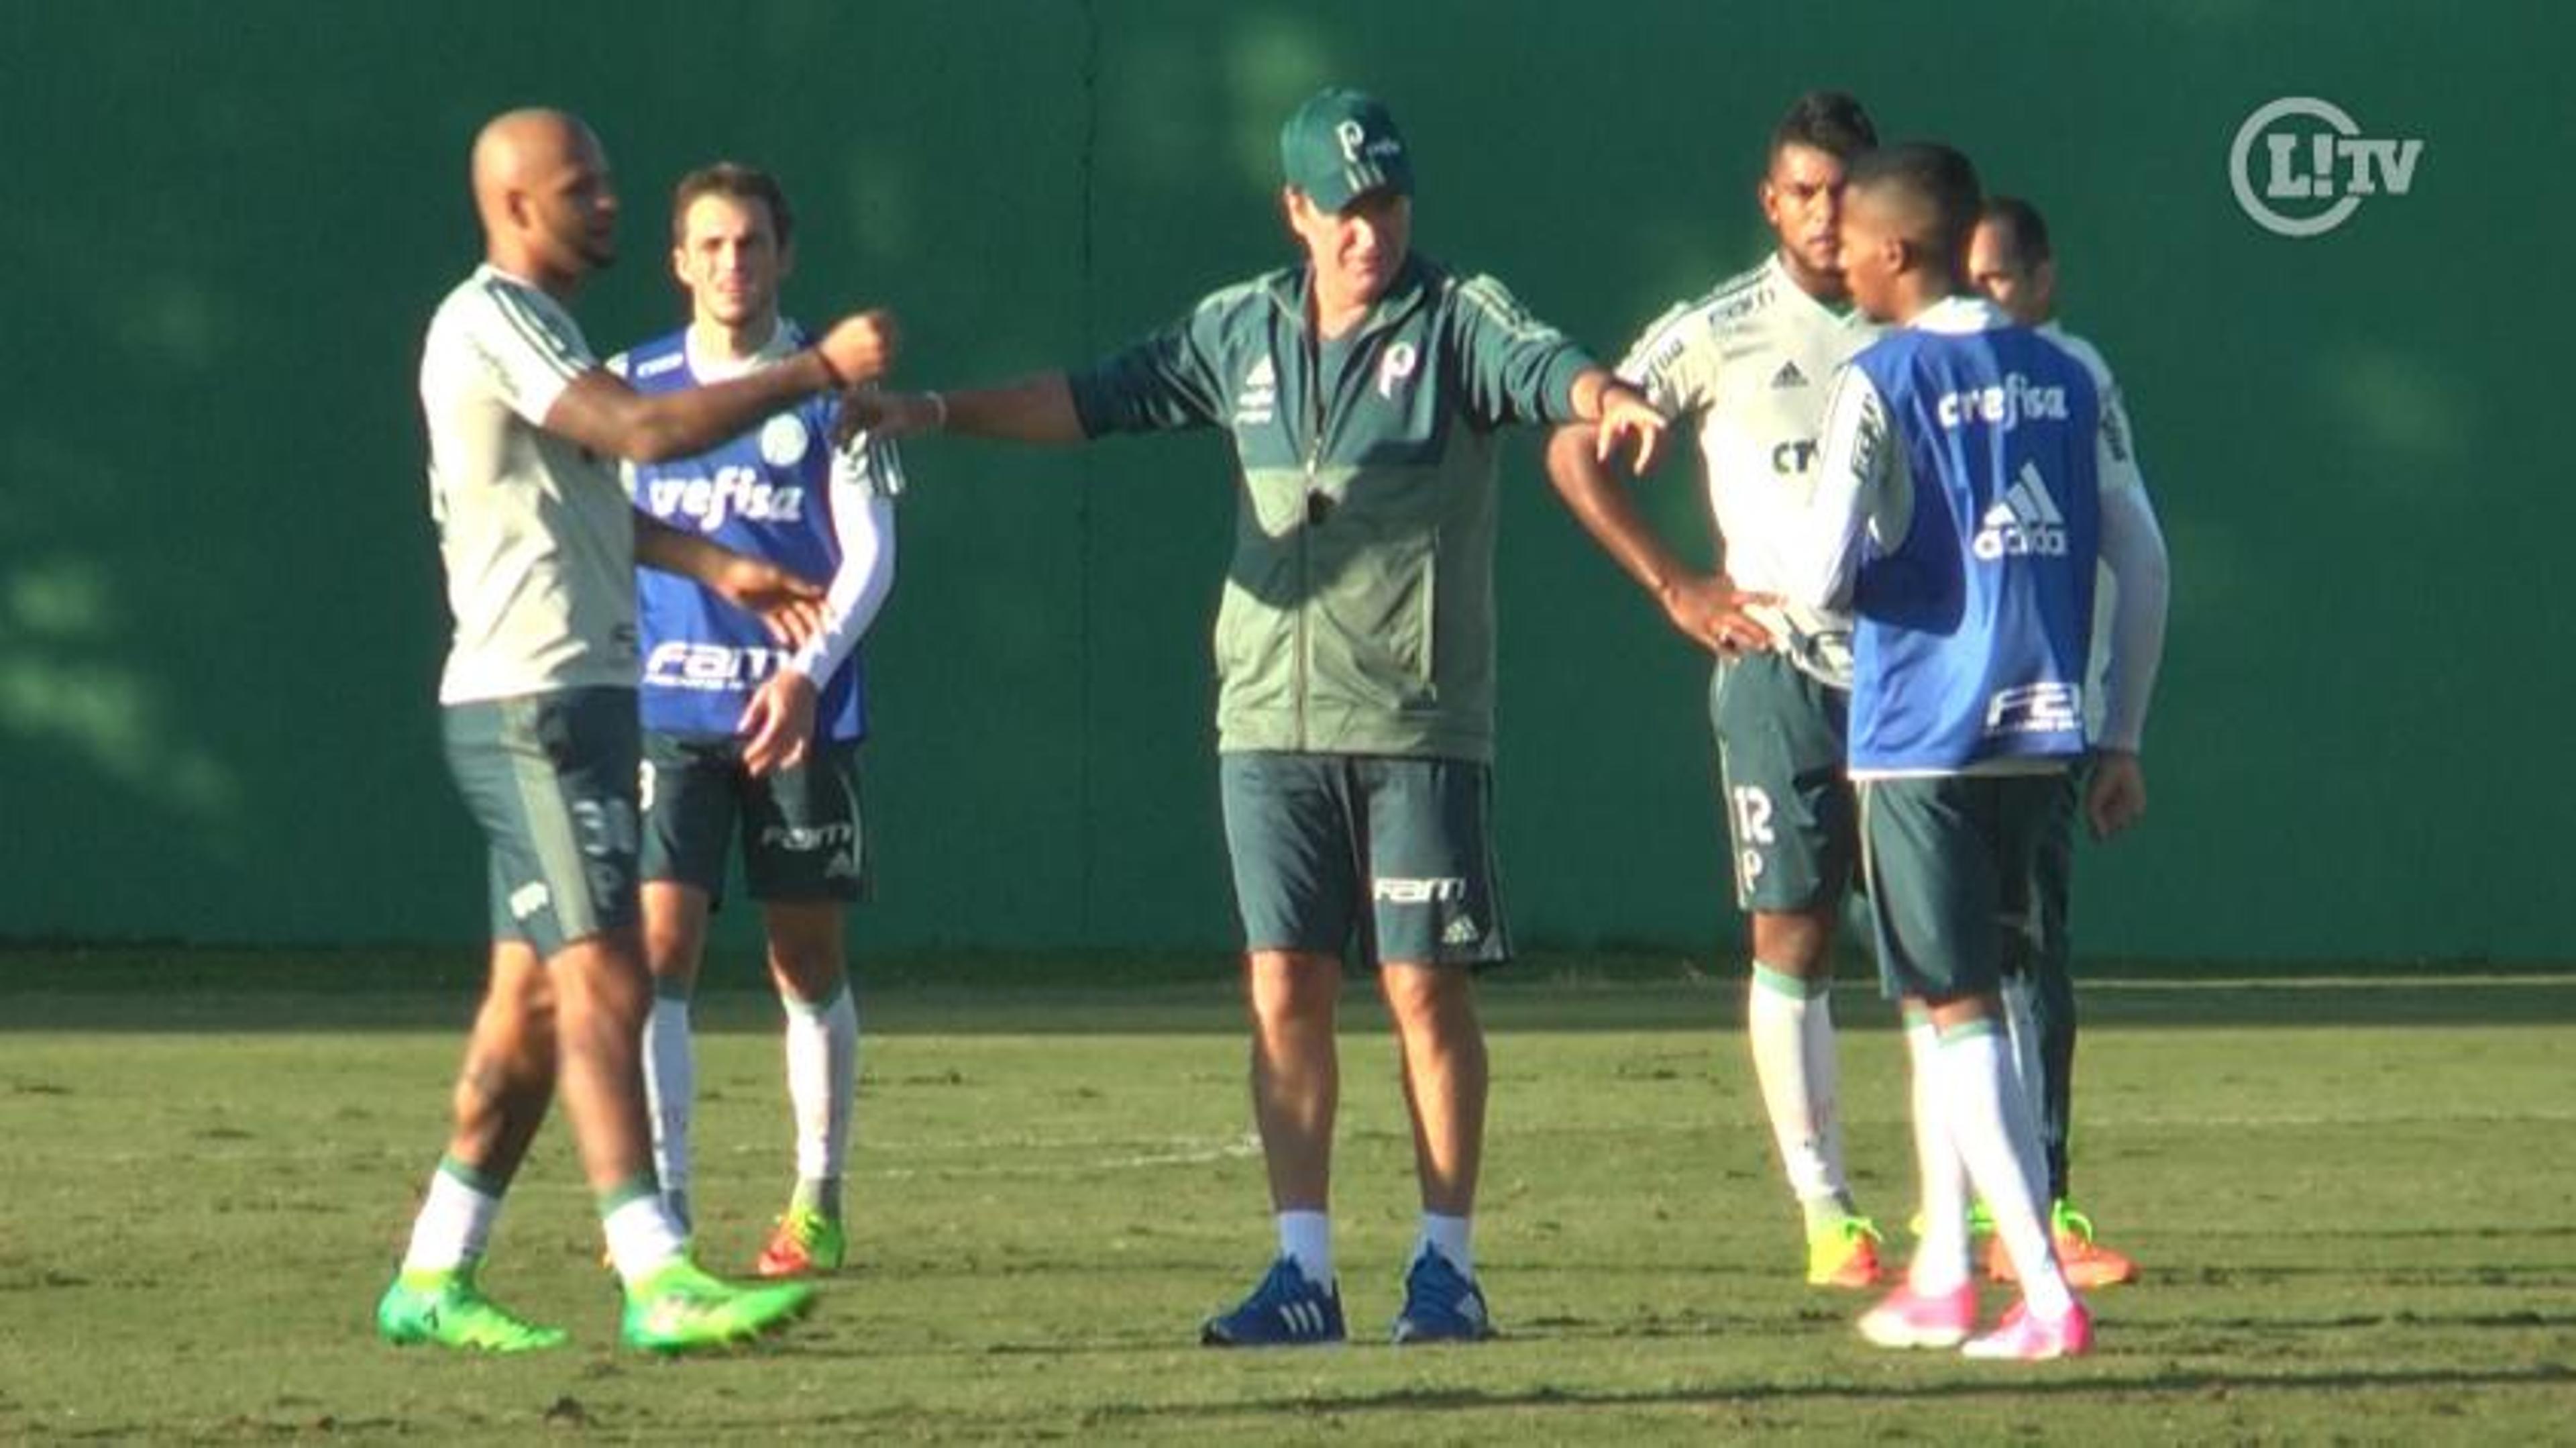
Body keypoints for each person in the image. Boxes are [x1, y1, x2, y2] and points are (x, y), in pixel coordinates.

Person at [853, 87, 1666, 1346]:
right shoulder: (1238, 331)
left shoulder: (1454, 317)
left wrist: (1602, 394)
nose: (1368, 233)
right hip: (1265, 728)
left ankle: (1446, 1267)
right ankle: (1304, 1274)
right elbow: (1093, 396)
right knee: (1283, 984)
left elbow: (1543, 364)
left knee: (1422, 988)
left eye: (1387, 204)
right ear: (1296, 210)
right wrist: (939, 411)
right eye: (1343, 209)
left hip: (1414, 723)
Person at [379, 107, 896, 1354]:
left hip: (576, 700)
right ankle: (654, 1260)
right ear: (514, 205)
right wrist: (817, 370)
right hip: (533, 704)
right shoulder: (494, 316)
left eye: (608, 182)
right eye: (583, 187)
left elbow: (597, 502)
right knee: (608, 969)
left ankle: (434, 1273)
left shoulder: (546, 328)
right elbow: (650, 436)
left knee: (532, 1007)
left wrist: (718, 562)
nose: (607, 202)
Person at [1782, 141, 2162, 1360]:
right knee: (1973, 1001)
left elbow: (1817, 569)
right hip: (2040, 736)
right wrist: (2123, 732)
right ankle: (1948, 1271)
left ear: (1897, 253)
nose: (1833, 256)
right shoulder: (2069, 372)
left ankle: (2044, 1293)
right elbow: (2143, 561)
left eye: (1848, 240)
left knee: (1950, 1011)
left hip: (1918, 739)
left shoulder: (1878, 376)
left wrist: (1831, 594)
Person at [1544, 91, 1889, 1290]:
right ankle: (1828, 1212)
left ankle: (1999, 1206)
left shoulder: (1922, 322)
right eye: (1806, 192)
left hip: (1913, 670)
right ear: (1772, 200)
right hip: (1778, 666)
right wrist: (1676, 584)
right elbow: (1572, 446)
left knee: (1960, 942)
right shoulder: (1721, 328)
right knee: (1791, 931)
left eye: (1846, 191)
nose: (1827, 215)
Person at [612, 162, 901, 1281]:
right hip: (665, 710)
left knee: (802, 957)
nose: (734, 264)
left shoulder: (836, 390)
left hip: (801, 717)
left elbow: (873, 555)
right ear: (680, 260)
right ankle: (662, 1214)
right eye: (712, 245)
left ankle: (816, 1198)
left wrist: (807, 673)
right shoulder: (630, 386)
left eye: (753, 245)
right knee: (657, 951)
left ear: (785, 256)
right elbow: (590, 515)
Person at [1966, 195, 2169, 1290]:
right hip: (1924, 727)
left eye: (2001, 277)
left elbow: (2141, 554)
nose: (1985, 297)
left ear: (2044, 279)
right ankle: (1974, 1210)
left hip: (2038, 723)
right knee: (1946, 971)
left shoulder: (2074, 377)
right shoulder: (1917, 368)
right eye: (1970, 277)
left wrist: (2120, 732)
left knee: (2022, 959)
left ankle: (2031, 1201)